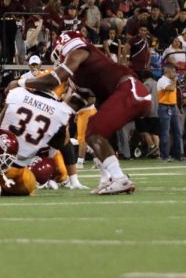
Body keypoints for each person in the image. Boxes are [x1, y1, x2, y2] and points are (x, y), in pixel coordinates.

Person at [15, 30, 151, 194]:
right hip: (127, 94)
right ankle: (108, 178)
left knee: (94, 131)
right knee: (94, 133)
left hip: (130, 90)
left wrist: (21, 83)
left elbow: (53, 80)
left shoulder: (79, 51)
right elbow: (77, 101)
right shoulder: (80, 75)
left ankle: (119, 178)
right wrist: (54, 117)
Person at [156, 63, 181, 162]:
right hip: (164, 107)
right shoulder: (162, 80)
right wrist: (174, 81)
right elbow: (170, 89)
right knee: (165, 133)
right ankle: (165, 156)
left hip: (173, 106)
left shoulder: (170, 81)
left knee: (178, 132)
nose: (175, 74)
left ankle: (178, 155)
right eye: (174, 71)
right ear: (168, 71)